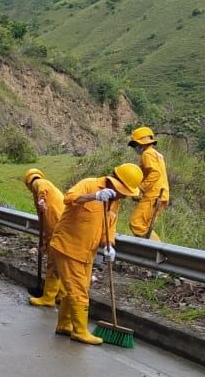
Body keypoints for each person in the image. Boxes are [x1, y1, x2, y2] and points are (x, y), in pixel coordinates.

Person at [48, 163, 143, 344]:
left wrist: (109, 245)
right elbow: (68, 198)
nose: (124, 195)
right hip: (68, 247)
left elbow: (109, 227)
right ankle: (80, 331)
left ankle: (64, 325)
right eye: (124, 191)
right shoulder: (89, 184)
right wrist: (94, 196)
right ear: (114, 183)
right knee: (79, 292)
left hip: (86, 253)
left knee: (75, 290)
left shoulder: (115, 203)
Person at [24, 168, 65, 308]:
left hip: (58, 228)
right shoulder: (44, 190)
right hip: (58, 229)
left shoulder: (39, 183)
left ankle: (48, 298)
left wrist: (41, 198)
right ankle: (61, 295)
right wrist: (43, 242)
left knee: (53, 264)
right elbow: (43, 220)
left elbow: (42, 187)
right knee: (61, 264)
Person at [127, 126, 170, 240]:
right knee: (144, 226)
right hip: (159, 194)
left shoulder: (148, 154)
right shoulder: (155, 154)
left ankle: (157, 251)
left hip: (154, 195)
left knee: (137, 224)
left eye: (135, 144)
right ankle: (154, 254)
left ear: (141, 143)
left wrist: (141, 189)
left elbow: (155, 173)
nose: (135, 147)